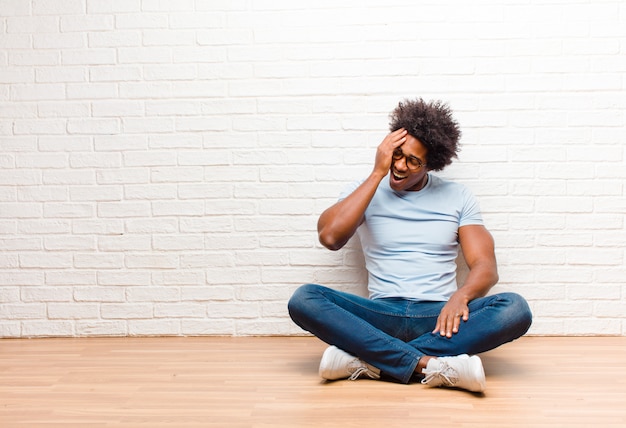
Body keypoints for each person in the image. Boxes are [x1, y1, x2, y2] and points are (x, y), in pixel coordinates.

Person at [287, 98, 532, 393]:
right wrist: (377, 172)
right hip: (380, 315)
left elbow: (485, 266)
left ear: (432, 164)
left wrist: (462, 296)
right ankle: (430, 365)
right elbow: (330, 238)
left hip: (439, 318)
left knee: (515, 308)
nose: (400, 166)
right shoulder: (363, 190)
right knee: (304, 298)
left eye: (413, 161)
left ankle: (371, 359)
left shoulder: (457, 196)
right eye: (397, 155)